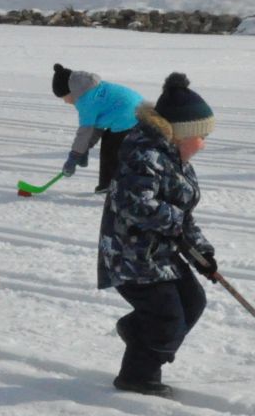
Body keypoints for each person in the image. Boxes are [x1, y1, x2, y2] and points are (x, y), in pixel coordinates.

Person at [99, 73, 219, 397]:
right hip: (131, 254)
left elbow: (184, 215)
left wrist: (202, 253)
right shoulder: (144, 156)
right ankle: (138, 376)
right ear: (181, 134)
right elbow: (133, 203)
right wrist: (174, 222)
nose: (204, 144)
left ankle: (136, 329)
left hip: (159, 253)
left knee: (193, 301)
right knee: (166, 317)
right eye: (201, 136)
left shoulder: (177, 160)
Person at [52, 63, 143, 194]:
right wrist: (85, 148)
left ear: (71, 91)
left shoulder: (85, 101)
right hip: (137, 109)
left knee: (110, 147)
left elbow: (85, 132)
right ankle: (112, 184)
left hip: (128, 115)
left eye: (64, 97)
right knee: (111, 142)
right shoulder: (90, 89)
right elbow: (96, 127)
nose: (65, 101)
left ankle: (109, 186)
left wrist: (74, 156)